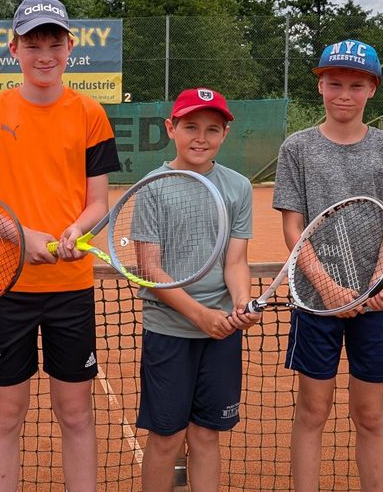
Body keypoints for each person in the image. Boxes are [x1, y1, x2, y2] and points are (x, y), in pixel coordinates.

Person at [0, 0, 120, 492]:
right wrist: (21, 237)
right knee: (6, 414)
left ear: (70, 47)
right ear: (14, 49)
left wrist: (76, 231)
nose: (44, 55)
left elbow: (98, 201)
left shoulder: (91, 113)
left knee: (76, 413)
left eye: (53, 43)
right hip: (8, 286)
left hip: (71, 287)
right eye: (32, 44)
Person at [273, 39, 383, 492]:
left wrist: (376, 284)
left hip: (376, 303)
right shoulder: (297, 147)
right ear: (320, 86)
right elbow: (293, 226)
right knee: (312, 410)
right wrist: (328, 287)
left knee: (369, 414)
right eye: (335, 84)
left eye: (356, 85)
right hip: (315, 301)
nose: (344, 95)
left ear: (372, 89)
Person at [136, 87, 263, 491]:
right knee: (166, 438)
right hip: (169, 332)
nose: (201, 138)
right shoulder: (152, 187)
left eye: (212, 129)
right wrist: (201, 316)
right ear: (170, 128)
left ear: (225, 134)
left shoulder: (238, 187)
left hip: (221, 332)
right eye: (191, 126)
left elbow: (235, 261)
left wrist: (241, 301)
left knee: (206, 435)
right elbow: (150, 270)